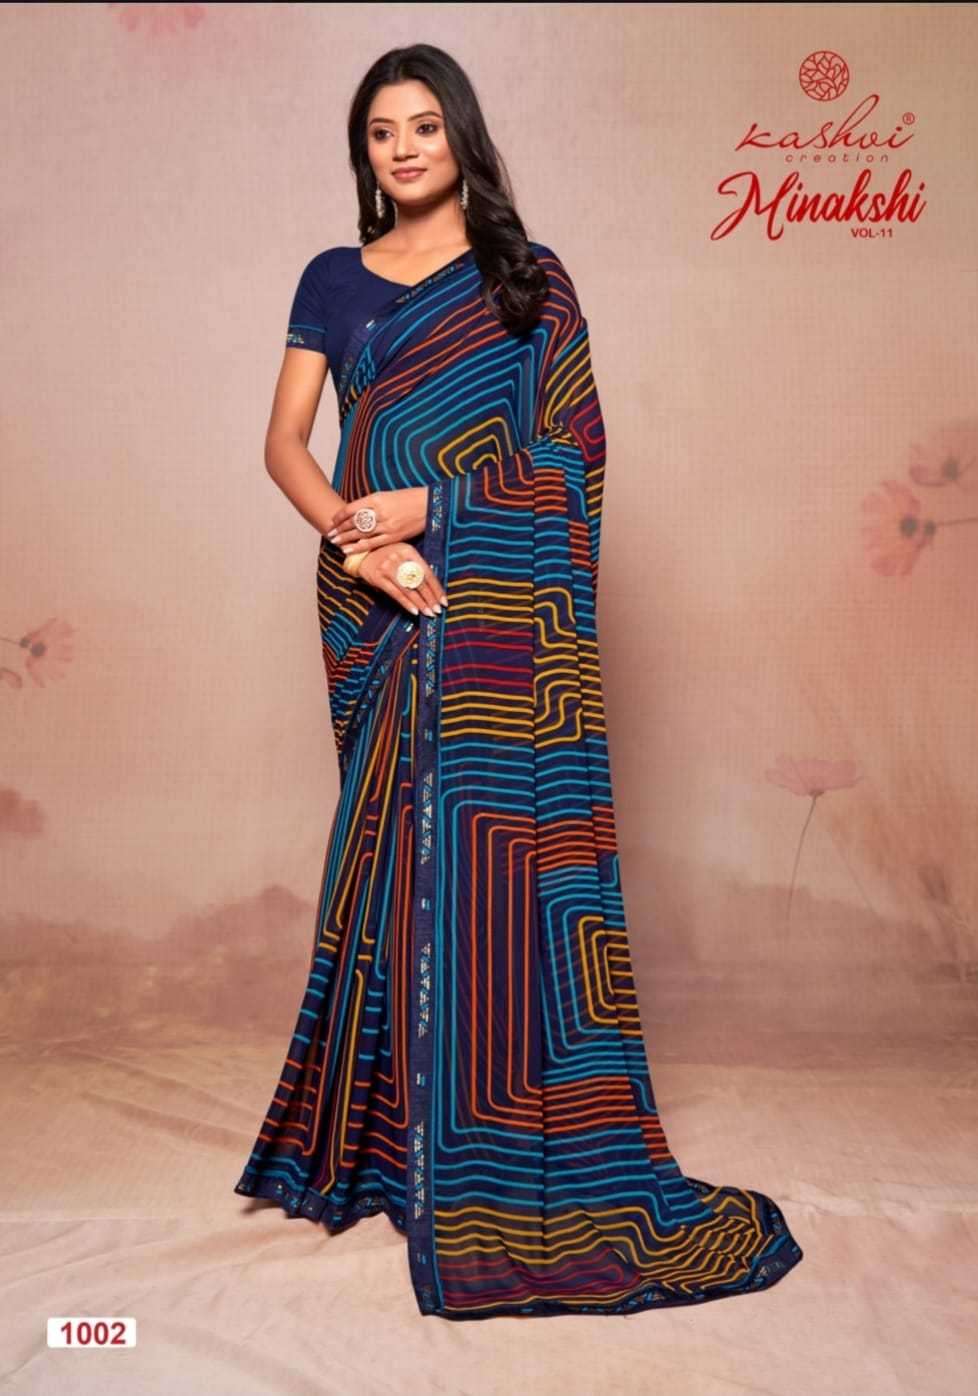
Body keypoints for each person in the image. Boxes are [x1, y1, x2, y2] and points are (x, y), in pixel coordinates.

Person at [233, 43, 804, 1321]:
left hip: (494, 605)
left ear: (462, 136)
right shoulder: (332, 278)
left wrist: (433, 509)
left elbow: (573, 457)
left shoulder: (526, 277)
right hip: (374, 600)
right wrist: (362, 544)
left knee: (485, 861)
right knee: (392, 853)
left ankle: (485, 1141)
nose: (403, 149)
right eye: (381, 131)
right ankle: (390, 1143)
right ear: (363, 151)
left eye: (424, 126)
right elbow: (283, 441)